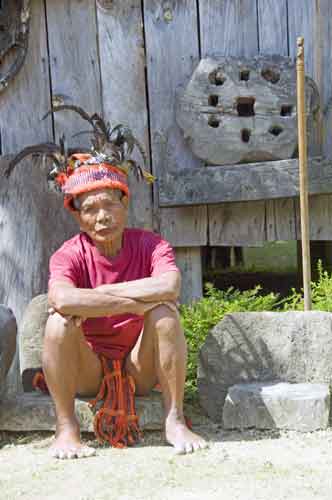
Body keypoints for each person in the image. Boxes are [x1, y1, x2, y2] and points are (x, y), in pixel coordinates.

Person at [7, 111, 207, 459]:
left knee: (163, 313)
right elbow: (60, 298)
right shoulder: (68, 254)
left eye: (109, 205)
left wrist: (95, 298)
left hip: (139, 364)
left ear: (124, 203)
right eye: (90, 209)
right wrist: (133, 300)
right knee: (57, 322)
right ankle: (66, 428)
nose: (102, 217)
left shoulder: (151, 244)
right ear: (76, 215)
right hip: (87, 368)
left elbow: (170, 286)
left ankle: (175, 420)